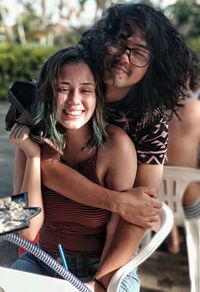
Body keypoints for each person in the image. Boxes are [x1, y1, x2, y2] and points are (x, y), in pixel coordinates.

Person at [40, 2, 190, 230]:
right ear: (102, 42)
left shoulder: (150, 121)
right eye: (119, 43)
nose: (124, 57)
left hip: (106, 241)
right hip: (47, 232)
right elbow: (46, 168)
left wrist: (110, 267)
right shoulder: (72, 87)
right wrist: (118, 202)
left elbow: (142, 210)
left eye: (139, 51)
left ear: (154, 65)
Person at [10, 46, 145, 291]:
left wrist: (100, 283)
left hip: (104, 267)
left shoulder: (117, 146)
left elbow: (119, 229)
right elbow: (25, 232)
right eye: (63, 89)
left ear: (97, 97)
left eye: (85, 90)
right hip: (45, 260)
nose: (74, 101)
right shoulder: (30, 144)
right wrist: (32, 158)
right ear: (48, 95)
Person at [166, 52, 200, 253]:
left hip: (157, 200)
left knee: (164, 186)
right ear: (187, 77)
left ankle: (173, 237)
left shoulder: (149, 108)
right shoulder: (196, 108)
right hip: (191, 204)